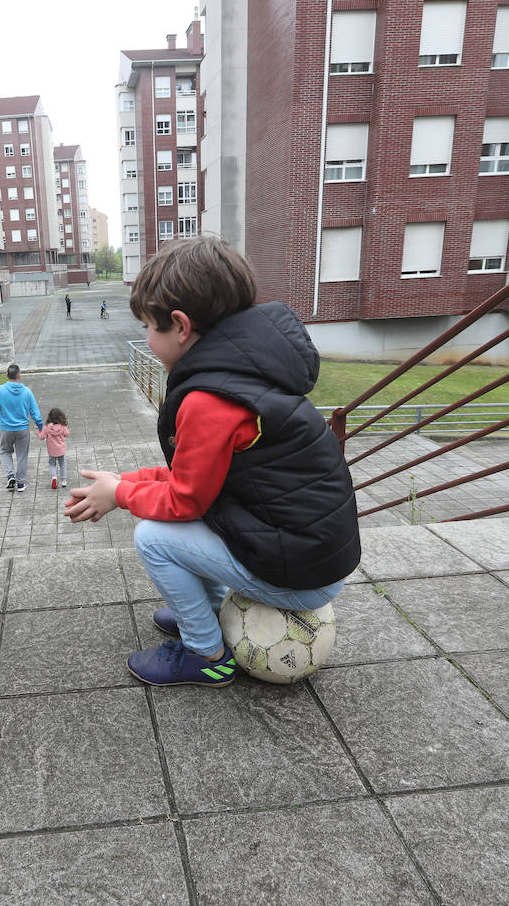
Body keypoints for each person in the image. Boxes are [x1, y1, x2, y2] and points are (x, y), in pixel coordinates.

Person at [64, 237, 360, 687]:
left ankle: (206, 653)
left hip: (299, 578)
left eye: (148, 326)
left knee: (154, 538)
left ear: (180, 326)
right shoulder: (246, 370)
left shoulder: (209, 400)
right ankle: (208, 610)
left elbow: (186, 500)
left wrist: (121, 495)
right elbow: (197, 477)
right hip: (306, 556)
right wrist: (124, 480)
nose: (146, 338)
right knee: (177, 524)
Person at [0, 363, 43, 492]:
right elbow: (36, 414)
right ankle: (21, 484)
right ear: (19, 375)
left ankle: (10, 476)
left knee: (5, 452)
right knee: (22, 456)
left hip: (6, 429)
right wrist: (40, 426)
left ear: (7, 375)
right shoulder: (27, 392)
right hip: (22, 430)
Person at [37, 407, 70, 489]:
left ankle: (54, 477)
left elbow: (41, 437)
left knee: (52, 464)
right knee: (62, 464)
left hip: (51, 451)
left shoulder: (47, 427)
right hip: (61, 450)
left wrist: (38, 431)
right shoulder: (62, 426)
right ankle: (63, 480)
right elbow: (67, 434)